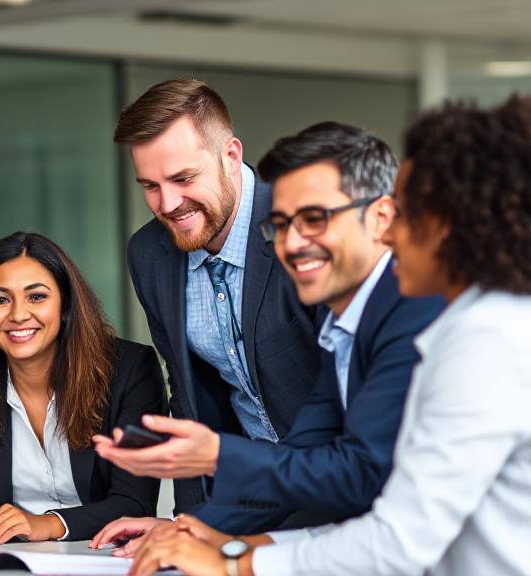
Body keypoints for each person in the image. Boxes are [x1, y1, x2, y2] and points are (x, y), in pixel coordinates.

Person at [129, 96, 531, 576]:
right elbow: (326, 474)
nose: (392, 231)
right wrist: (215, 537)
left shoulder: (481, 341)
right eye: (281, 225)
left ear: (452, 224)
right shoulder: (360, 328)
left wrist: (235, 561)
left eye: (405, 213)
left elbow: (393, 534)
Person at [92, 122, 444, 552]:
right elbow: (300, 452)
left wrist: (220, 470)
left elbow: (364, 474)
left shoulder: (420, 312)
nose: (292, 244)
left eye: (315, 219)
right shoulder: (343, 327)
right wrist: (194, 525)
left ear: (382, 217)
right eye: (280, 224)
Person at [102, 78, 324, 535]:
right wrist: (190, 523)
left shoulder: (302, 228)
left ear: (231, 155)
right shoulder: (149, 254)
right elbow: (188, 395)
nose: (167, 204)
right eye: (150, 185)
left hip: (340, 487)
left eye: (183, 179)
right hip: (251, 495)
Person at [0, 232, 166, 547]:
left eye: (36, 296)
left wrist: (50, 524)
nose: (18, 314)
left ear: (65, 304)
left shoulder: (130, 370)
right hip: (13, 561)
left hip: (104, 558)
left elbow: (134, 503)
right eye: (0, 299)